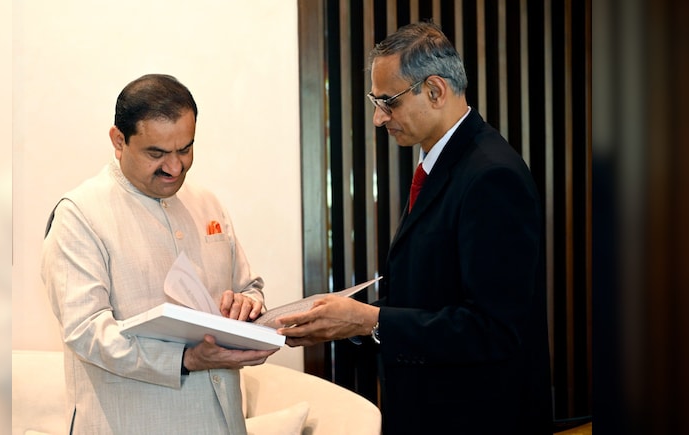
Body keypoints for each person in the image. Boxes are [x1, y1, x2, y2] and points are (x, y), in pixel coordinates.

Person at [278, 22, 553, 434]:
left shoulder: (492, 176)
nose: (378, 118)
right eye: (376, 101)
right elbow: (429, 294)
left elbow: (492, 328)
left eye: (388, 102)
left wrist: (369, 320)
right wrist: (346, 322)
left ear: (435, 91)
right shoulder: (444, 163)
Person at [41, 73, 277, 435]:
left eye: (185, 149)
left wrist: (248, 304)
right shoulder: (80, 214)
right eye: (157, 153)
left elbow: (249, 287)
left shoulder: (207, 203)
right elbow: (86, 330)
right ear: (118, 141)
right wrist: (185, 359)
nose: (175, 167)